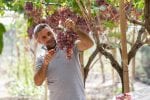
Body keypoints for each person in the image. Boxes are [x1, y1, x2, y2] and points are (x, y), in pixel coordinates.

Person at [33, 19, 93, 100]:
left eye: (49, 33)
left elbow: (89, 44)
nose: (49, 38)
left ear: (52, 31)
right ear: (39, 41)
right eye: (44, 37)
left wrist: (75, 28)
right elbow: (37, 82)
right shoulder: (41, 57)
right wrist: (45, 64)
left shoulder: (68, 44)